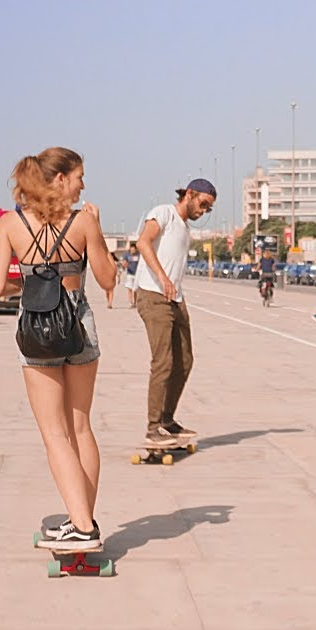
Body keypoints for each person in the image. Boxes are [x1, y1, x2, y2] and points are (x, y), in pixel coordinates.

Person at [0, 146, 117, 551]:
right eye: (79, 176)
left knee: (54, 433)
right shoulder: (83, 222)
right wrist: (96, 230)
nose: (83, 184)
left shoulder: (10, 224)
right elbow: (107, 278)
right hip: (79, 323)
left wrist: (31, 288)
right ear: (60, 178)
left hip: (36, 327)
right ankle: (84, 520)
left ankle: (81, 526)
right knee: (80, 427)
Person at [133, 178, 214, 448]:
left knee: (185, 360)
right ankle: (152, 427)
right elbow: (143, 243)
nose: (203, 211)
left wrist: (174, 287)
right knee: (163, 361)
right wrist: (163, 277)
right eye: (203, 203)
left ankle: (167, 420)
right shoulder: (164, 213)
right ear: (189, 194)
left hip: (175, 298)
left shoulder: (185, 228)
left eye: (208, 208)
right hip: (153, 293)